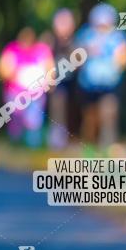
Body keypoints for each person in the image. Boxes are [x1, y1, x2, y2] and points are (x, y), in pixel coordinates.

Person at [74, 3, 126, 151]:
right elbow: (75, 57)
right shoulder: (86, 35)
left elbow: (124, 55)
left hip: (110, 84)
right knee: (90, 119)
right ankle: (89, 148)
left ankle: (108, 147)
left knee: (109, 113)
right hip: (89, 84)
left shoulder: (117, 36)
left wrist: (117, 63)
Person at [0, 26, 55, 147]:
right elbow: (2, 70)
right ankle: (15, 146)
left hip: (36, 95)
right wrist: (15, 73)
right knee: (16, 123)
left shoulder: (41, 50)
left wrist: (49, 82)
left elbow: (51, 70)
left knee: (34, 123)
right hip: (15, 94)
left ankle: (32, 147)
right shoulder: (12, 50)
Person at [48, 8, 78, 148]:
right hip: (56, 83)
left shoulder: (76, 42)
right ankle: (57, 137)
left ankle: (71, 137)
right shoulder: (49, 41)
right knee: (58, 101)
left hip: (75, 83)